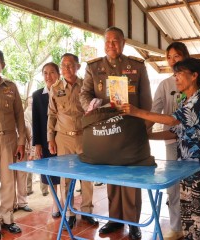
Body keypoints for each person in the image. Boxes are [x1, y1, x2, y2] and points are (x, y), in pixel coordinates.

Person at [121, 58, 200, 240]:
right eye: (175, 74)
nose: (176, 78)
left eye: (179, 73)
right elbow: (174, 133)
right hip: (186, 169)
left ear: (194, 76)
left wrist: (136, 112)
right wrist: (145, 136)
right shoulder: (185, 102)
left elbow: (171, 120)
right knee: (189, 219)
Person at [80, 26, 152, 240]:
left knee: (131, 177)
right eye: (108, 41)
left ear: (123, 42)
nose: (112, 45)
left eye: (116, 41)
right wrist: (92, 104)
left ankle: (133, 222)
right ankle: (114, 219)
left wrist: (144, 126)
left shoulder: (137, 66)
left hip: (131, 130)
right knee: (111, 176)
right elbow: (85, 94)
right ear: (104, 43)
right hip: (106, 130)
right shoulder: (93, 67)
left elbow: (146, 97)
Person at [47, 54, 98, 228]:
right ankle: (69, 212)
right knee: (65, 178)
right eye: (64, 66)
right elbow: (52, 115)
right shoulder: (55, 88)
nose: (67, 69)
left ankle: (87, 212)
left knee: (87, 176)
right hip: (63, 138)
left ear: (77, 66)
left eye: (71, 65)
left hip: (84, 137)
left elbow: (94, 110)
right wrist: (50, 139)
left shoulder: (86, 85)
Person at [151, 42, 190, 240]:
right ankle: (176, 227)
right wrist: (143, 134)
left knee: (193, 185)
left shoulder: (196, 82)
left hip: (194, 145)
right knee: (173, 186)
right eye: (169, 57)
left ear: (185, 57)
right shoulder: (165, 85)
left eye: (177, 56)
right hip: (171, 143)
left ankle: (194, 223)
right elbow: (154, 112)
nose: (172, 60)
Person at [0, 49, 25, 238]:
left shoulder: (11, 87)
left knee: (8, 181)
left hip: (8, 139)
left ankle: (7, 219)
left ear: (3, 65)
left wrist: (21, 142)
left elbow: (19, 116)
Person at [32, 62, 62, 218]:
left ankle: (66, 203)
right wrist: (37, 143)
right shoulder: (37, 96)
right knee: (50, 175)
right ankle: (56, 204)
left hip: (64, 139)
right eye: (45, 73)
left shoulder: (64, 91)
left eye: (52, 72)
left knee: (64, 173)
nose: (48, 76)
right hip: (45, 142)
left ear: (58, 74)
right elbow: (36, 121)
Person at [14, 98, 34, 213]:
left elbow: (30, 138)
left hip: (22, 155)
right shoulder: (7, 121)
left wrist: (31, 153)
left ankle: (22, 202)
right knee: (9, 180)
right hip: (8, 155)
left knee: (22, 178)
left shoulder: (25, 122)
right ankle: (12, 204)